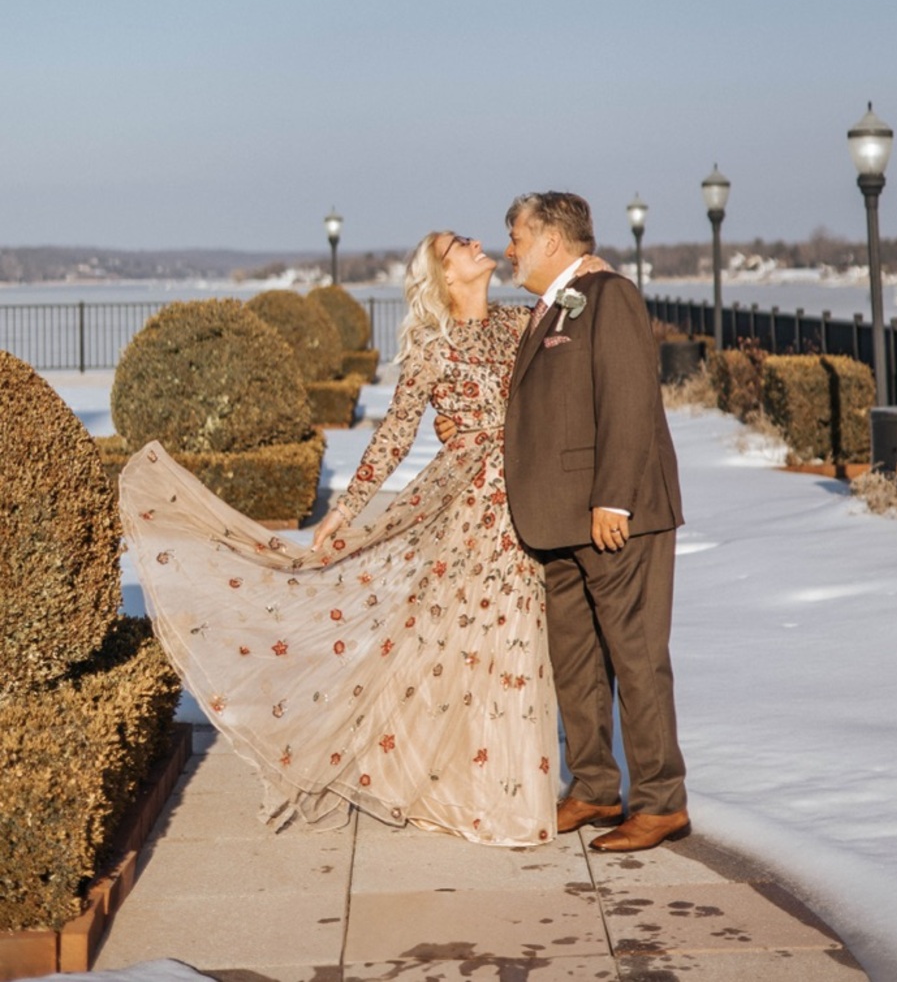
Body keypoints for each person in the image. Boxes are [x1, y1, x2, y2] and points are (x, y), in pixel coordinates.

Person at [121, 230, 603, 847]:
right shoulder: (434, 345)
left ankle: (498, 786)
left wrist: (592, 268)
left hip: (531, 504)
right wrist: (342, 513)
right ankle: (477, 794)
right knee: (477, 642)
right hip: (469, 509)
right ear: (444, 275)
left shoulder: (521, 322)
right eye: (458, 243)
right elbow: (396, 434)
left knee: (516, 643)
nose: (477, 242)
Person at [501, 191, 689, 853]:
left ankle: (661, 799)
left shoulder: (608, 296)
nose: (508, 248)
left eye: (517, 234)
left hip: (615, 518)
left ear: (552, 239)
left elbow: (629, 395)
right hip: (557, 522)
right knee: (575, 659)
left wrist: (614, 496)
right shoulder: (554, 302)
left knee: (634, 658)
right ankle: (594, 785)